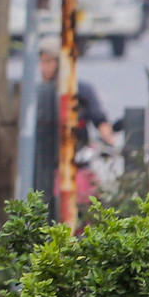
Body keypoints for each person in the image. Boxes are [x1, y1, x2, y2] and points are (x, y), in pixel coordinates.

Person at [37, 35, 117, 209]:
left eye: (48, 62)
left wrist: (110, 139)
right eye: (41, 62)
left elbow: (99, 118)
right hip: (45, 164)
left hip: (77, 160)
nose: (43, 68)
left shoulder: (81, 90)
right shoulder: (38, 94)